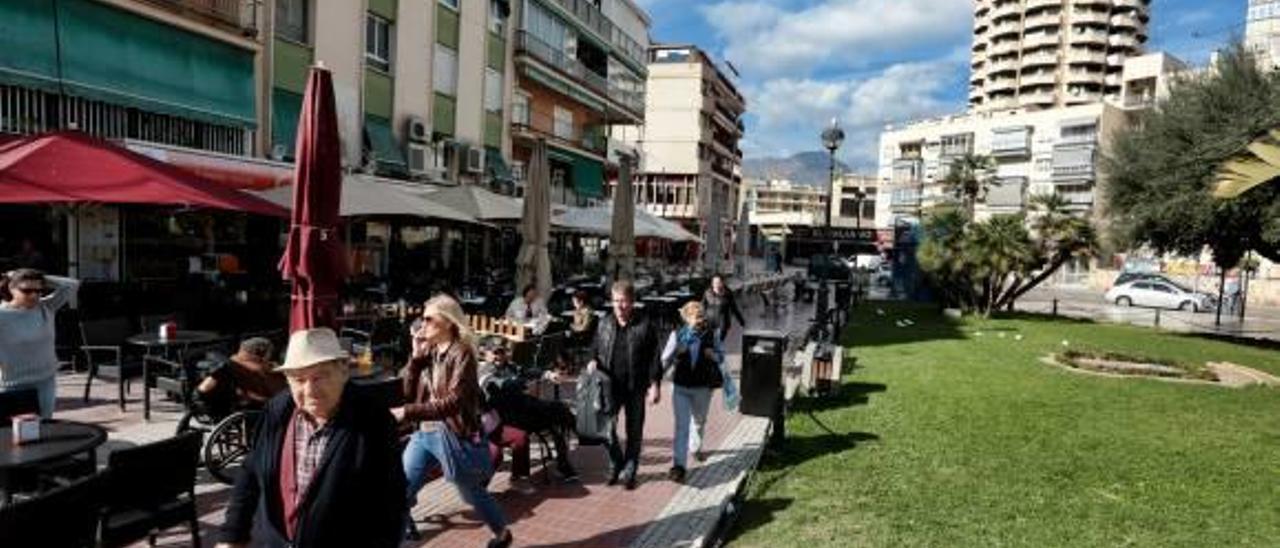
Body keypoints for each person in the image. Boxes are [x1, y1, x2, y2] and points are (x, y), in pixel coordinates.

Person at [217, 328, 406, 548]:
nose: (310, 390)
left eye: (320, 376)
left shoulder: (373, 421)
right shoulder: (277, 410)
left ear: (343, 371)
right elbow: (251, 471)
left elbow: (390, 506)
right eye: (299, 379)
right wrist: (232, 535)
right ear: (287, 380)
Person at [393, 295, 513, 547]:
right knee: (400, 491)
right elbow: (406, 391)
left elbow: (453, 402)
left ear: (447, 322)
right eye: (422, 319)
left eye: (428, 319)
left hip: (450, 433)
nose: (422, 324)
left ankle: (502, 534)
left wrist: (407, 412)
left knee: (471, 493)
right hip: (423, 434)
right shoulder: (429, 351)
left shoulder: (462, 354)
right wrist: (415, 359)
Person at [586, 280, 663, 490]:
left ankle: (630, 468)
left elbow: (655, 357)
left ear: (632, 302)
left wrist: (655, 384)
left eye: (624, 301)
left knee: (634, 431)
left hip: (635, 386)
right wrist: (592, 359)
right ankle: (616, 460)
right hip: (610, 386)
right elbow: (594, 345)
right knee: (605, 429)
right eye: (616, 301)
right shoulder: (604, 323)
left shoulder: (644, 325)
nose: (619, 306)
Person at [480, 346, 578, 484]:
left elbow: (528, 371)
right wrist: (521, 383)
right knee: (553, 415)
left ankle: (563, 463)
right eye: (494, 352)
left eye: (501, 352)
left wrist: (548, 374)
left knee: (558, 415)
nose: (498, 356)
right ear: (485, 353)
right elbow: (501, 384)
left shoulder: (511, 366)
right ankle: (579, 433)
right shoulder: (484, 371)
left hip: (522, 410)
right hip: (504, 418)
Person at [0, 269, 80, 418]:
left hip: (45, 380)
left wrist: (40, 277)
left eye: (39, 290)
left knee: (43, 428)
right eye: (27, 290)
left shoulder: (46, 307)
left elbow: (72, 284)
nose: (34, 295)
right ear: (11, 288)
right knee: (11, 433)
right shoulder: (2, 315)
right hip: (13, 384)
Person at [661, 302, 725, 483]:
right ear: (687, 318)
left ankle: (695, 448)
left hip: (703, 388)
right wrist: (655, 379)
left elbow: (721, 355)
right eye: (696, 316)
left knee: (698, 421)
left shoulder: (712, 335)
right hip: (680, 387)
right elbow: (664, 358)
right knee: (681, 426)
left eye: (702, 316)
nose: (700, 320)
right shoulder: (677, 335)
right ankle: (679, 466)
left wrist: (713, 355)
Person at [196, 337, 288, 418]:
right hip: (253, 405)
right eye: (268, 353)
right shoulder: (253, 368)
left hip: (214, 403)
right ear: (261, 352)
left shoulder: (233, 362)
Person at [702, 274, 746, 342]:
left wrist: (741, 321)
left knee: (719, 341)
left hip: (723, 322)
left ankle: (717, 349)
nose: (717, 284)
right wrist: (703, 317)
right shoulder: (707, 292)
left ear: (722, 283)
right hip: (710, 321)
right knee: (709, 342)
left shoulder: (728, 293)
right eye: (715, 283)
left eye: (719, 282)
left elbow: (734, 308)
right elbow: (703, 305)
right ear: (712, 283)